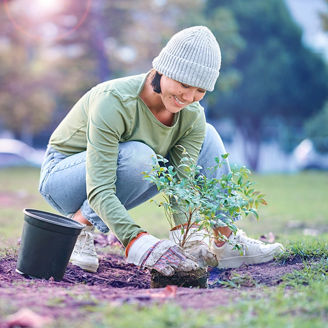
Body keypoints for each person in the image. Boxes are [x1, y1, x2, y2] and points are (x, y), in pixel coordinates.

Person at [38, 26, 284, 275]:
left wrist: (188, 235)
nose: (188, 97)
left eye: (200, 90)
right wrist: (137, 240)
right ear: (162, 70)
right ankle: (78, 227)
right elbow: (99, 187)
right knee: (140, 157)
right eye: (184, 84)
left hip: (129, 168)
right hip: (64, 178)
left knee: (207, 134)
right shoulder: (113, 101)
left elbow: (181, 181)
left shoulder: (190, 115)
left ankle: (225, 239)